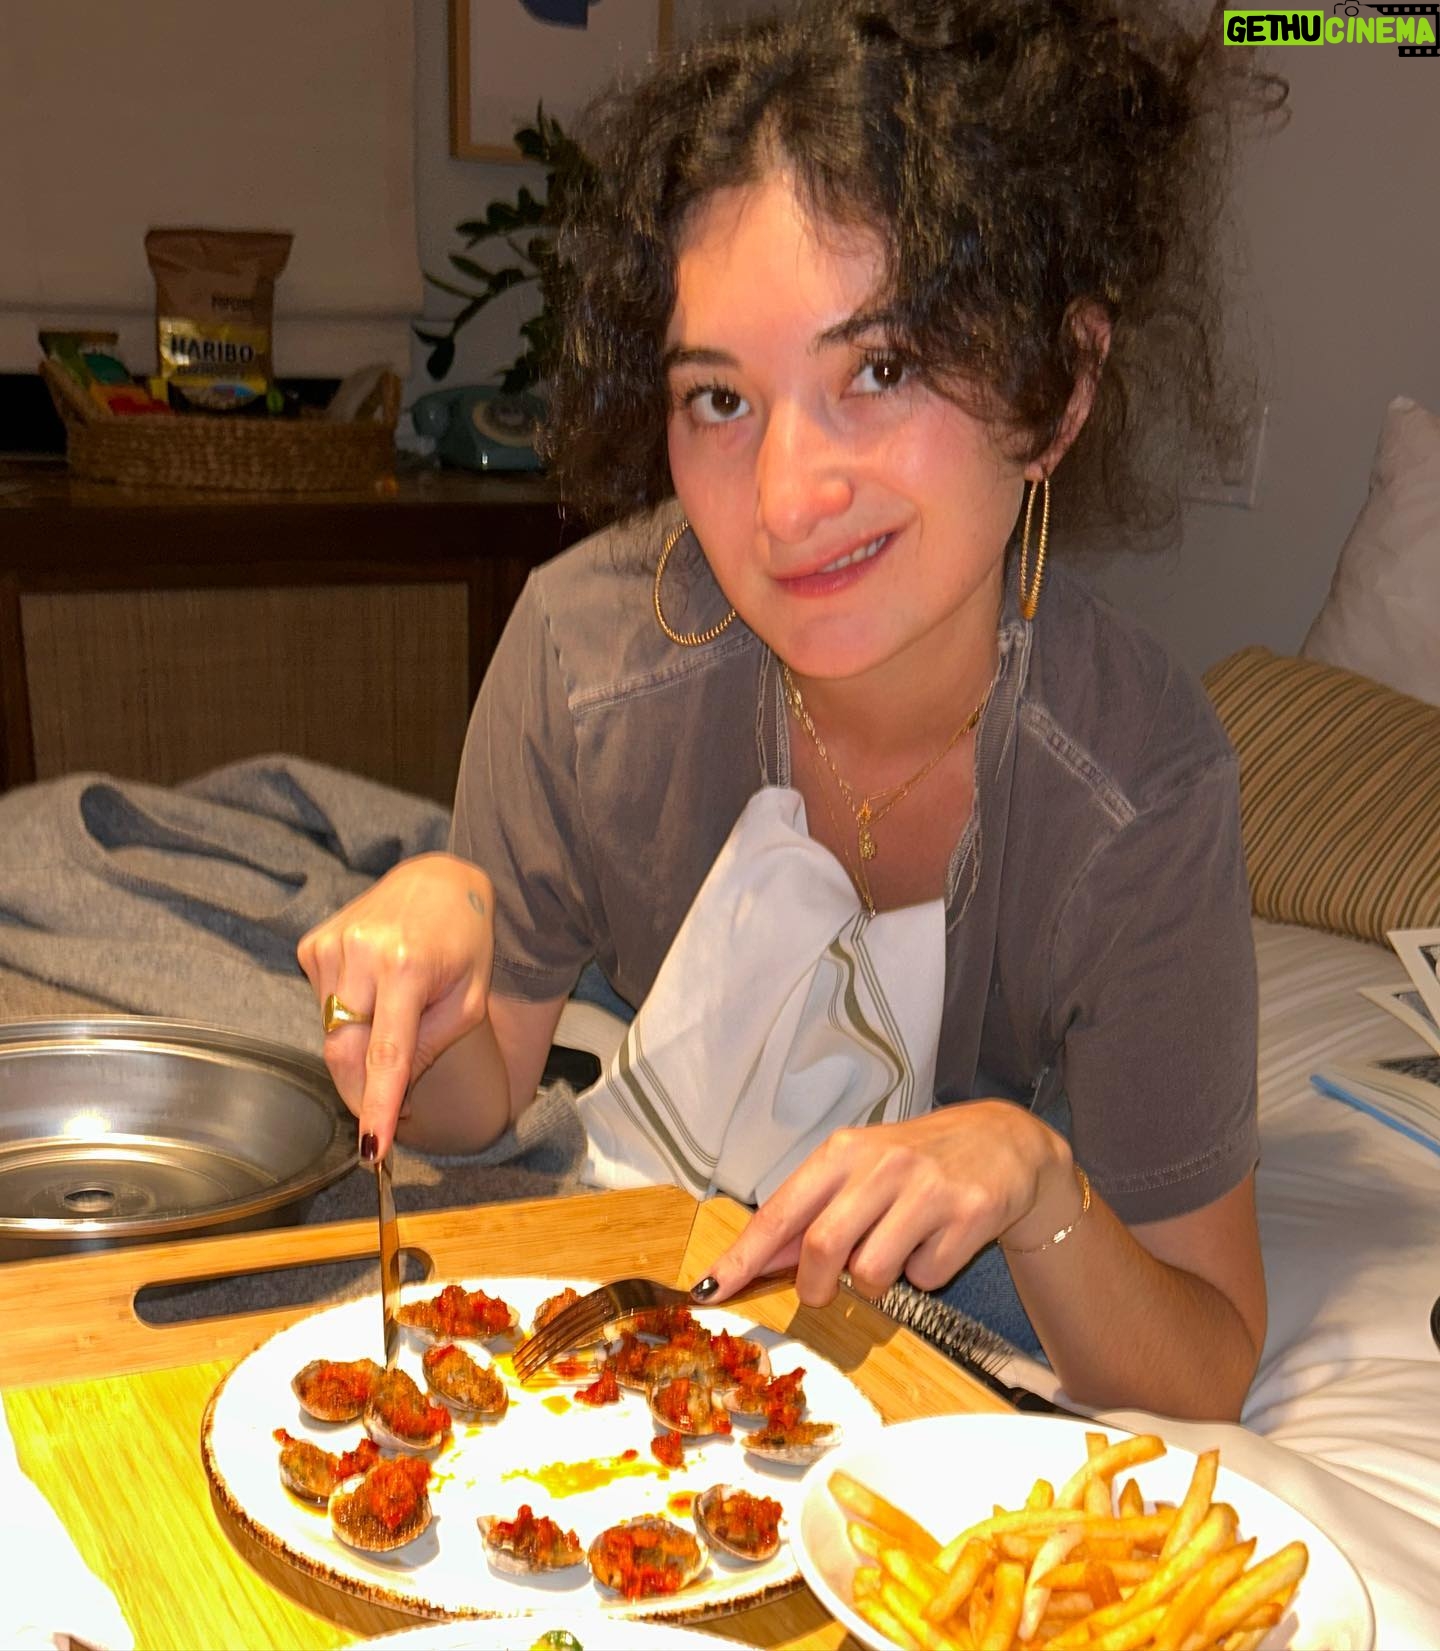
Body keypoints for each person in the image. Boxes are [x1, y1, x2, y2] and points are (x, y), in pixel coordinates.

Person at [300, 0, 1281, 1420]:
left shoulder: (1138, 790)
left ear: (1058, 391)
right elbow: (476, 1106)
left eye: (879, 370)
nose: (784, 499)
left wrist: (1035, 1179)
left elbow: (1202, 1361)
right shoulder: (585, 660)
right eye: (719, 400)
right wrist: (421, 991)